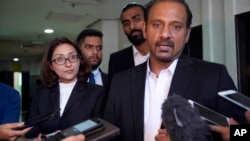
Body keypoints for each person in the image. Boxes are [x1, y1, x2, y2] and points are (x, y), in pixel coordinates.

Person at [104, 0, 246, 141]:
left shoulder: (214, 77)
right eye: (157, 25)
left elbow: (243, 132)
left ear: (187, 34)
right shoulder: (120, 82)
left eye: (176, 26)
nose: (165, 34)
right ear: (145, 30)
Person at [25, 37, 105, 138]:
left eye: (72, 57)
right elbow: (30, 132)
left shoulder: (96, 92)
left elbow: (100, 133)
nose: (68, 64)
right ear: (51, 66)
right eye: (60, 59)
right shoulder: (41, 93)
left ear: (79, 60)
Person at [108, 3, 149, 81]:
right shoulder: (117, 60)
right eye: (126, 23)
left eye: (137, 19)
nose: (132, 26)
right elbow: (113, 91)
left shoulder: (164, 51)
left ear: (147, 21)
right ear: (123, 30)